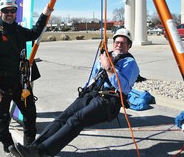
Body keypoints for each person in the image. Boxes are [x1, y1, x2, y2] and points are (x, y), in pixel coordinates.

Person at [9, 28, 140, 157]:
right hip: (92, 94)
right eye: (117, 42)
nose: (119, 45)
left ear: (128, 46)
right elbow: (94, 76)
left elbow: (123, 87)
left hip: (108, 100)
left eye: (123, 43)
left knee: (77, 120)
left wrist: (108, 67)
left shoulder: (130, 63)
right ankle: (33, 147)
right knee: (63, 117)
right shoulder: (106, 56)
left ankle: (42, 152)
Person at [0, 0, 52, 154]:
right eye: (6, 10)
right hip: (2, 86)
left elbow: (34, 33)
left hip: (21, 84)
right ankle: (10, 148)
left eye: (13, 10)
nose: (10, 13)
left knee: (30, 117)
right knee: (1, 124)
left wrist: (44, 14)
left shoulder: (18, 30)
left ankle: (29, 149)